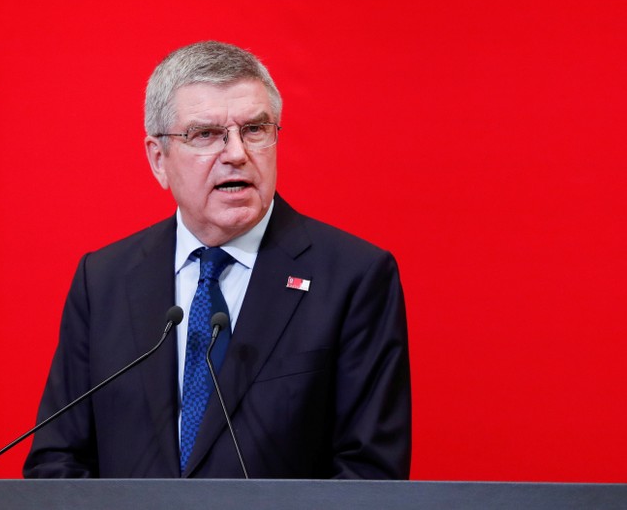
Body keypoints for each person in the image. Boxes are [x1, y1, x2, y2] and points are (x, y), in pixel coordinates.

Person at [23, 41, 411, 479]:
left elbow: (369, 475)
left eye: (255, 130)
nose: (236, 153)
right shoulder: (105, 280)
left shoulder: (353, 278)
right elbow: (57, 461)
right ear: (158, 159)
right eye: (205, 134)